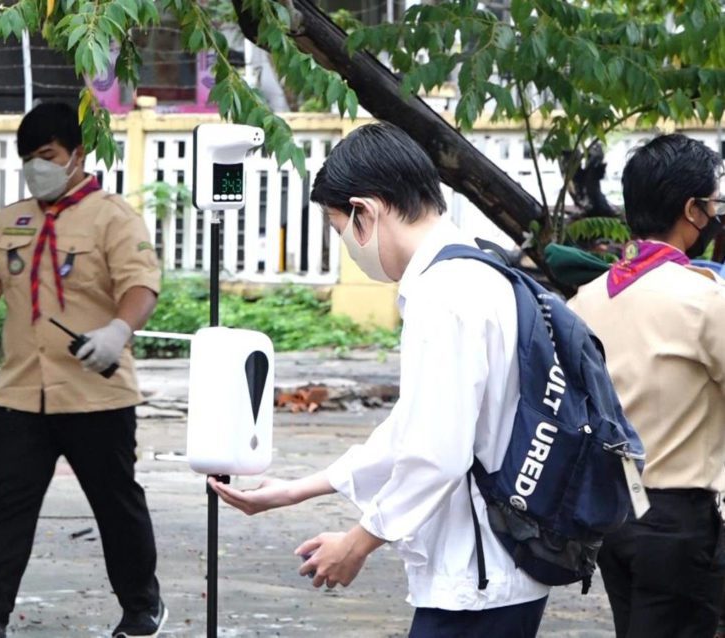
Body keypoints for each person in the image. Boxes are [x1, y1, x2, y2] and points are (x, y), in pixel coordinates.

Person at [210, 122, 550, 636]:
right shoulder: (479, 270)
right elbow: (412, 428)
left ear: (365, 214)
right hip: (497, 567)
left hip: (476, 576)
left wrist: (359, 541)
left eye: (337, 228)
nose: (345, 244)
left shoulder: (444, 296)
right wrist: (296, 491)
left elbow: (436, 453)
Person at [0, 101, 166, 638]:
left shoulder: (113, 216)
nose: (37, 167)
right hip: (22, 393)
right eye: (29, 159)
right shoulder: (12, 219)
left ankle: (141, 607)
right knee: (9, 506)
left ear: (77, 155)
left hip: (96, 394)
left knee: (116, 503)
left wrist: (117, 332)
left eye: (48, 155)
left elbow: (141, 285)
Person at [569, 134, 725, 637]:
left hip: (613, 517)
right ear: (693, 211)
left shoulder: (584, 301)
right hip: (681, 522)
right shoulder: (702, 300)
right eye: (714, 203)